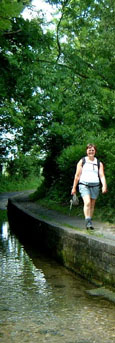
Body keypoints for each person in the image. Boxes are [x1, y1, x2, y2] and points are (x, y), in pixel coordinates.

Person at [71, 143, 107, 230]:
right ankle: (88, 222)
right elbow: (77, 175)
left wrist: (104, 185)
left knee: (92, 205)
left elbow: (102, 175)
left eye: (93, 150)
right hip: (84, 185)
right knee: (87, 202)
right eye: (89, 150)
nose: (91, 151)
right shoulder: (82, 161)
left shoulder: (99, 163)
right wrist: (74, 187)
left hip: (95, 185)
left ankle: (89, 223)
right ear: (87, 151)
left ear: (95, 151)